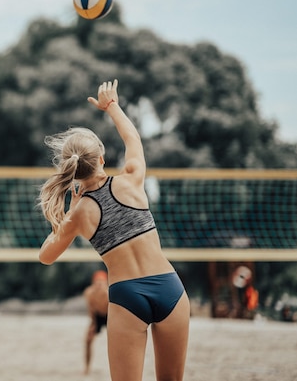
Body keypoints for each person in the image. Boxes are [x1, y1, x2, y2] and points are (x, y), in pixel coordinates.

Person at [38, 80, 190, 381]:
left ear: (71, 173)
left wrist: (69, 212)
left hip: (127, 295)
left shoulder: (78, 215)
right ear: (102, 160)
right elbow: (132, 138)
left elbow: (46, 256)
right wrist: (112, 106)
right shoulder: (131, 179)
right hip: (169, 288)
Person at [83, 270, 109, 376]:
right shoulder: (89, 293)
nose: (99, 284)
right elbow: (91, 309)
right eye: (97, 282)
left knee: (118, 341)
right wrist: (93, 324)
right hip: (97, 317)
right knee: (88, 340)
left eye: (101, 282)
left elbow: (116, 311)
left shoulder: (109, 293)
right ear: (93, 283)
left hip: (110, 316)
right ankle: (87, 368)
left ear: (106, 283)